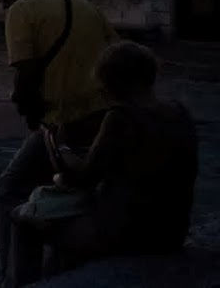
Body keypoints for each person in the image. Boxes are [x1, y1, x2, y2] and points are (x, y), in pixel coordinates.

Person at [12, 41, 198, 282]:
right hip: (172, 232)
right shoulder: (179, 112)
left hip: (128, 234)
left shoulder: (120, 117)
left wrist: (57, 144)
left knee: (23, 220)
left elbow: (80, 178)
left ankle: (18, 283)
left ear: (113, 82)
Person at [0, 0, 118, 288]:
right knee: (68, 189)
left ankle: (9, 275)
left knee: (11, 187)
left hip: (62, 120)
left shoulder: (22, 10)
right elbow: (116, 52)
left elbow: (25, 71)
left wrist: (24, 105)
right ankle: (56, 264)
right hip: (104, 117)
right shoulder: (84, 5)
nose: (1, 3)